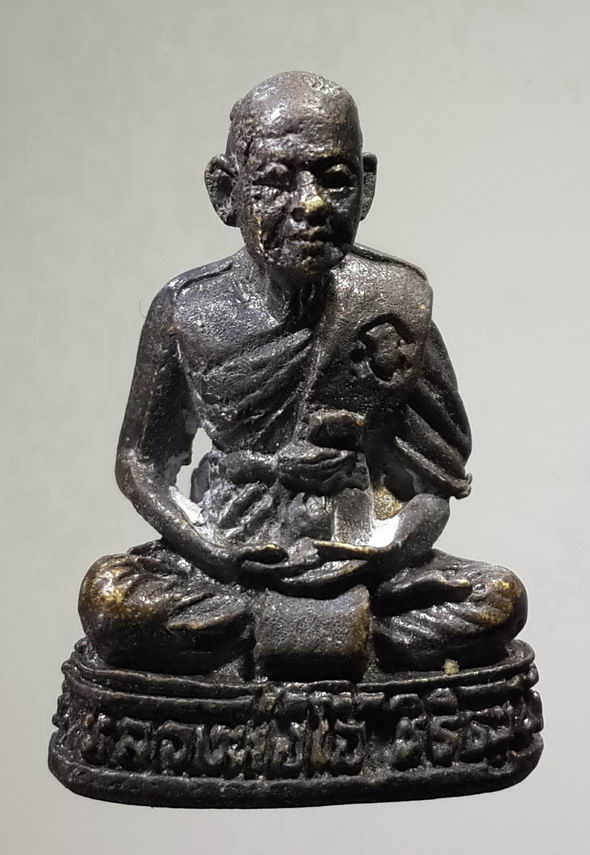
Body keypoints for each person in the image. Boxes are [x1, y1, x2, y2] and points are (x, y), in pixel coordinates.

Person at [79, 72, 526, 679]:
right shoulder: (187, 309)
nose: (311, 204)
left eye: (335, 179)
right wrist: (214, 551)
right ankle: (337, 639)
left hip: (357, 553)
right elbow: (139, 462)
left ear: (365, 187)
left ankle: (281, 639)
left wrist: (385, 552)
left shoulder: (393, 305)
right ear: (226, 191)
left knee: (498, 599)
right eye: (275, 180)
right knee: (110, 599)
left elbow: (432, 486)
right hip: (231, 553)